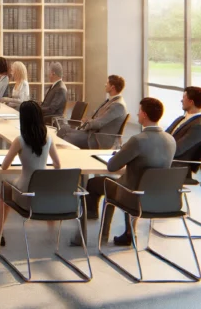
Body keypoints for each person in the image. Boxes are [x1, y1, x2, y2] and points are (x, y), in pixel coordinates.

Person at [72, 97, 175, 247]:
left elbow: (112, 166)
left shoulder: (138, 140)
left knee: (94, 183)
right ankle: (128, 232)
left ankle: (85, 230)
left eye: (139, 111)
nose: (137, 114)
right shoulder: (171, 140)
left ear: (145, 115)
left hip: (132, 195)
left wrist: (121, 155)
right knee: (126, 182)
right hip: (159, 195)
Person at [0, 101, 61, 246]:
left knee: (5, 188)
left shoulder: (20, 140)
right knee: (46, 188)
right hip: (43, 195)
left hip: (25, 195)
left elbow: (4, 166)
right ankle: (51, 233)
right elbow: (58, 165)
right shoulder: (48, 139)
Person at [57, 75, 128, 149]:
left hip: (99, 139)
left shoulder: (118, 105)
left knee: (67, 137)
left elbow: (99, 123)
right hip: (92, 133)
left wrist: (87, 123)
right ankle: (53, 157)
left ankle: (61, 158)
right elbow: (97, 117)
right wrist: (88, 122)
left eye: (107, 83)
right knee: (63, 128)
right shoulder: (111, 101)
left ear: (112, 87)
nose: (105, 85)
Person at [167, 86, 201, 177]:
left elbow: (177, 150)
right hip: (168, 160)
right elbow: (164, 135)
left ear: (191, 102)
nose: (181, 100)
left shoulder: (200, 127)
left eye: (184, 97)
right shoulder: (182, 118)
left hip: (177, 166)